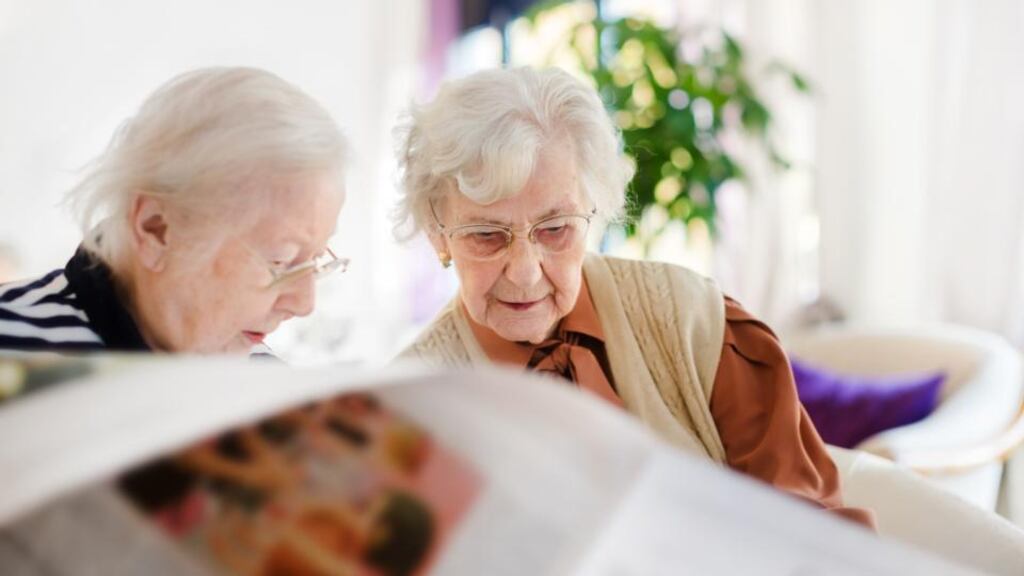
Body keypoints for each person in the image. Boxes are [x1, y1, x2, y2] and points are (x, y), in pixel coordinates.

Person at [394, 66, 874, 528]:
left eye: (556, 228)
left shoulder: (694, 322)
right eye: (486, 234)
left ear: (595, 212)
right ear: (438, 235)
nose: (524, 273)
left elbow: (811, 539)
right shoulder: (406, 406)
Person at [0, 67, 349, 353]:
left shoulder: (261, 378)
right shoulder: (13, 342)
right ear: (156, 230)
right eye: (280, 261)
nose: (304, 304)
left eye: (316, 260)